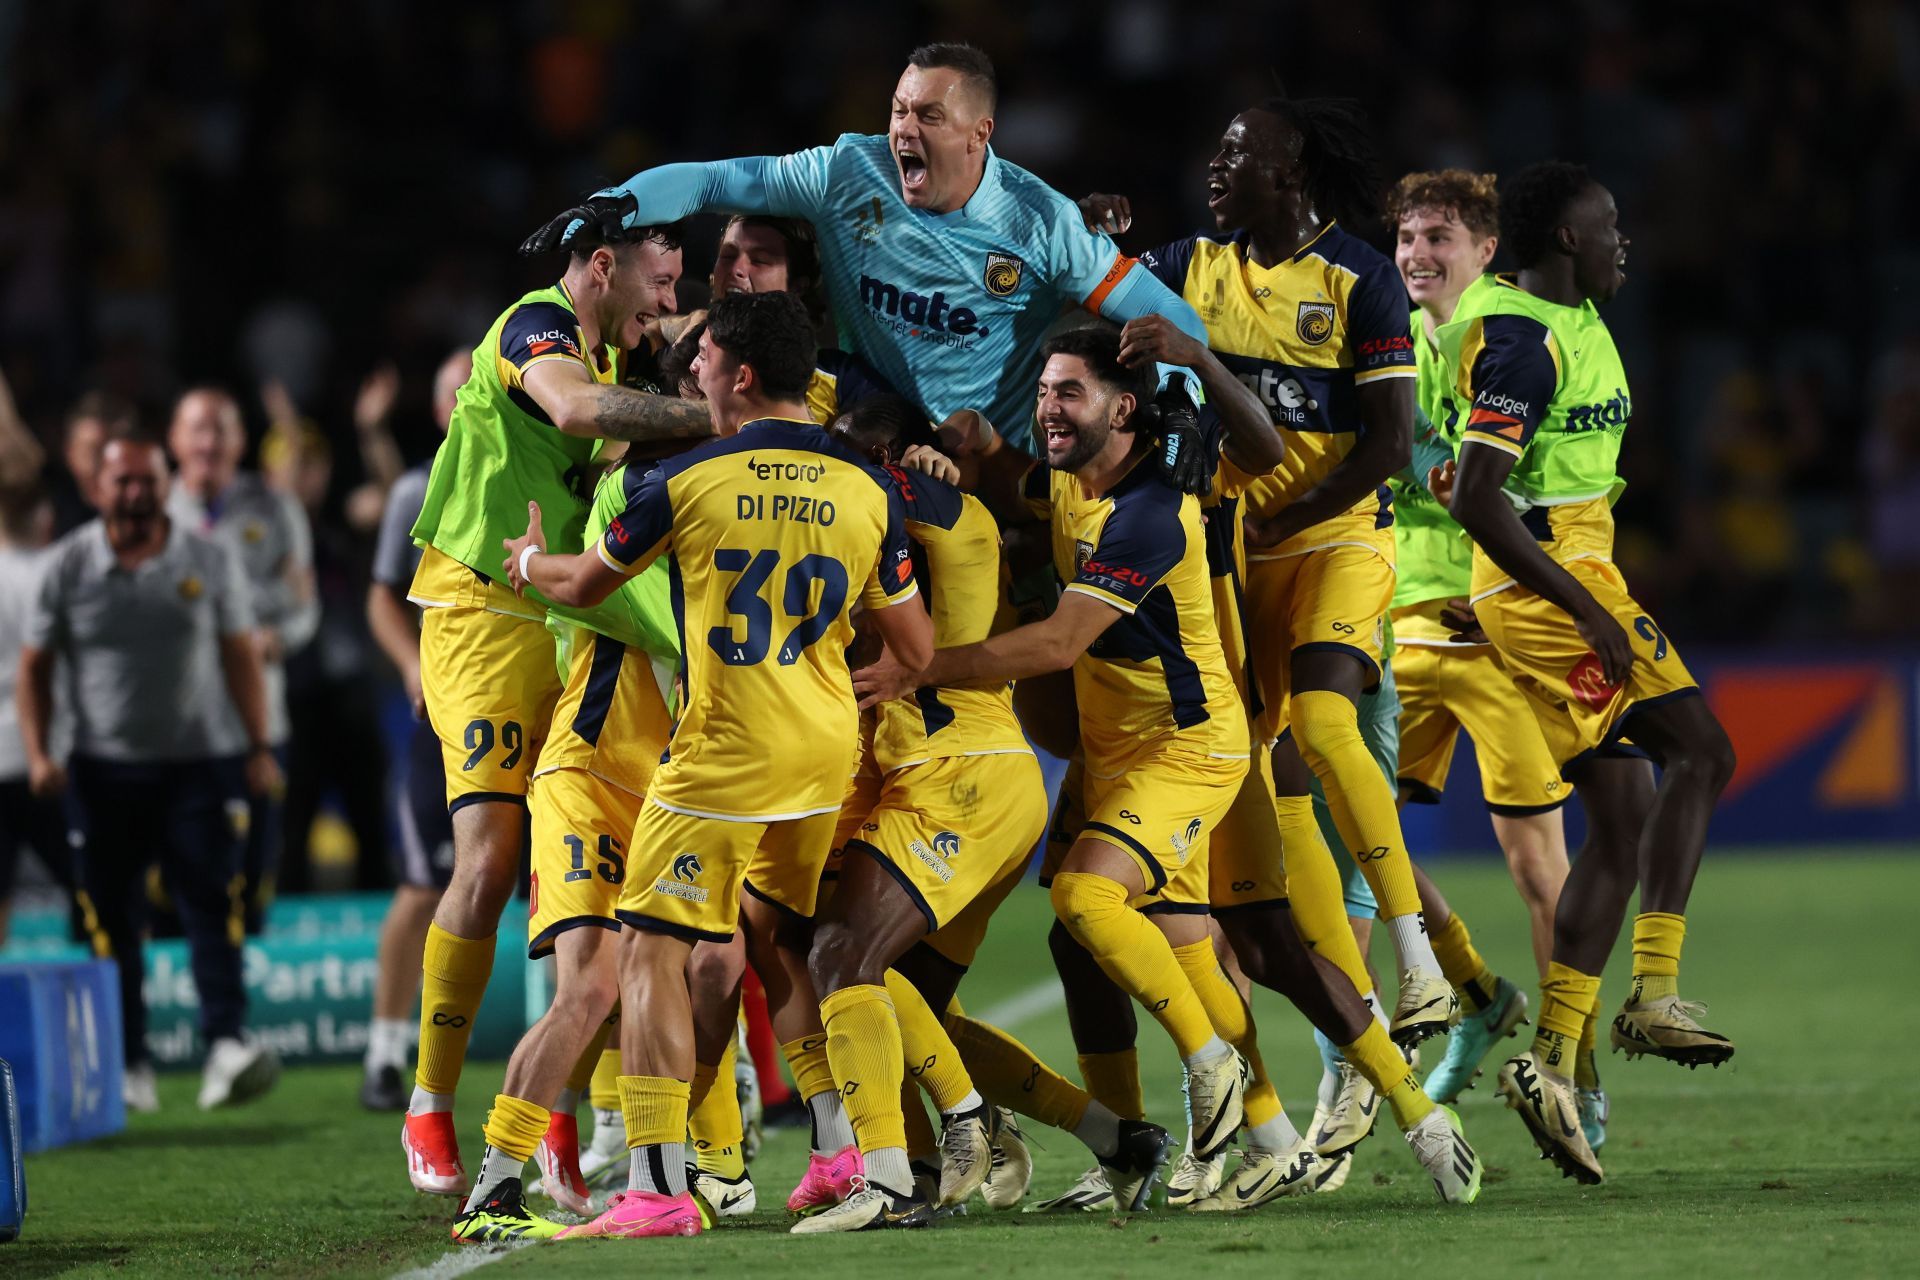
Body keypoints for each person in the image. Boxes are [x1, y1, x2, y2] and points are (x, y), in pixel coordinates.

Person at [499, 291, 932, 1241]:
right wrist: (847, 682)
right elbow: (914, 643)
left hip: (724, 754)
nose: (688, 371)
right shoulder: (866, 485)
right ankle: (842, 1153)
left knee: (649, 951)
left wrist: (528, 561)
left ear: (739, 373)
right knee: (784, 947)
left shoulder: (686, 479)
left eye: (701, 358)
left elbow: (583, 584)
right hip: (824, 753)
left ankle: (655, 1187)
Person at [1435, 162, 1737, 1185]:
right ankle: (1653, 991)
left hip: (1569, 566)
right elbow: (1481, 496)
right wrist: (1582, 607)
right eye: (1607, 225)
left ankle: (1556, 1057)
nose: (1623, 241)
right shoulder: (1522, 337)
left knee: (1622, 809)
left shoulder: (1565, 317)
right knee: (1703, 748)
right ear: (1564, 237)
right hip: (1547, 581)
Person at [399, 217, 708, 1196]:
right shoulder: (536, 326)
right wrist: (722, 420)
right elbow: (574, 414)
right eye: (659, 279)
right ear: (603, 267)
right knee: (488, 859)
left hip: (568, 598)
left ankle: (567, 1122)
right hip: (486, 599)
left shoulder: (626, 336)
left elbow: (716, 329)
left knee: (587, 876)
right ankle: (429, 1103)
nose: (667, 298)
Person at [520, 42, 1211, 454]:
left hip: (996, 464)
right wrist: (622, 203)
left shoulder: (1043, 222)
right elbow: (716, 179)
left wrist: (1182, 405)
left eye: (929, 116)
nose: (904, 129)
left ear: (980, 133)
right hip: (871, 432)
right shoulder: (851, 170)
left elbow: (1173, 319)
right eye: (899, 109)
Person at [1170, 99, 1454, 1048]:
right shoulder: (1189, 269)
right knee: (1266, 781)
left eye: (1235, 153)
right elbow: (1087, 288)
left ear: (1287, 173)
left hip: (1337, 536)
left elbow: (1387, 443)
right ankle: (1348, 1036)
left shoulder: (1358, 281)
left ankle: (1419, 965)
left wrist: (1282, 516)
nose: (1215, 167)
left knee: (1328, 722)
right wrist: (1090, 229)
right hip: (1234, 566)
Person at [17, 427, 282, 1112]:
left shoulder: (207, 558)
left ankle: (225, 1043)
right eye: (122, 481)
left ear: (164, 486)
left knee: (212, 903)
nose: (135, 493)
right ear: (97, 487)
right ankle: (128, 1061)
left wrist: (258, 746)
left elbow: (239, 655)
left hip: (199, 764)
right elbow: (33, 669)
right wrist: (40, 753)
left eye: (146, 480)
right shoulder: (68, 565)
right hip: (101, 770)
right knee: (112, 917)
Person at [1383, 169, 1571, 1110]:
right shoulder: (1387, 332)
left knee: (1540, 871)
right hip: (1397, 627)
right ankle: (1476, 991)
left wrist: (1505, 590)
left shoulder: (1507, 343)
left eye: (1439, 237)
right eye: (1408, 237)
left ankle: (1571, 1076)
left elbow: (1536, 487)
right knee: (1345, 837)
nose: (1418, 253)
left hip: (1493, 633)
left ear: (1485, 250)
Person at [360, 351, 471, 1111]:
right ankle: (385, 1051)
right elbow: (381, 600)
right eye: (460, 394)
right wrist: (411, 666)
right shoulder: (415, 489)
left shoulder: (540, 472)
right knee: (421, 883)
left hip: (520, 710)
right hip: (439, 715)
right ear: (440, 413)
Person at [167, 387, 319, 933]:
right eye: (196, 428)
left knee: (254, 874)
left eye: (220, 429)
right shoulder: (154, 512)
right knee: (177, 879)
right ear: (174, 439)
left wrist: (274, 637)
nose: (207, 442)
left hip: (257, 726)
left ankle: (244, 1006)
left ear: (240, 440)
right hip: (175, 733)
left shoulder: (276, 509)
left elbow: (305, 609)